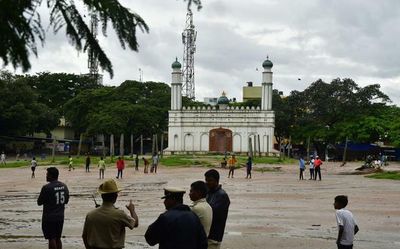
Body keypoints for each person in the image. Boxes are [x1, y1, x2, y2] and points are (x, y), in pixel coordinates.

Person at [82, 179, 139, 249]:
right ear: (115, 197)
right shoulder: (120, 214)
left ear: (102, 196)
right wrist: (132, 210)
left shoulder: (90, 215)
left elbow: (84, 236)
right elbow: (135, 224)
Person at [37, 167, 70, 249]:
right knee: (58, 238)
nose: (46, 176)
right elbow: (66, 201)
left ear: (51, 176)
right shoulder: (64, 186)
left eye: (47, 174)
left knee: (51, 238)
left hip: (49, 217)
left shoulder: (46, 188)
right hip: (60, 216)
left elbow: (39, 202)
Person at [204, 169, 230, 249]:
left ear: (216, 181)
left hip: (214, 237)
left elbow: (211, 213)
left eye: (210, 180)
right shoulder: (208, 193)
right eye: (206, 180)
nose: (207, 183)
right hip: (206, 235)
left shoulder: (222, 196)